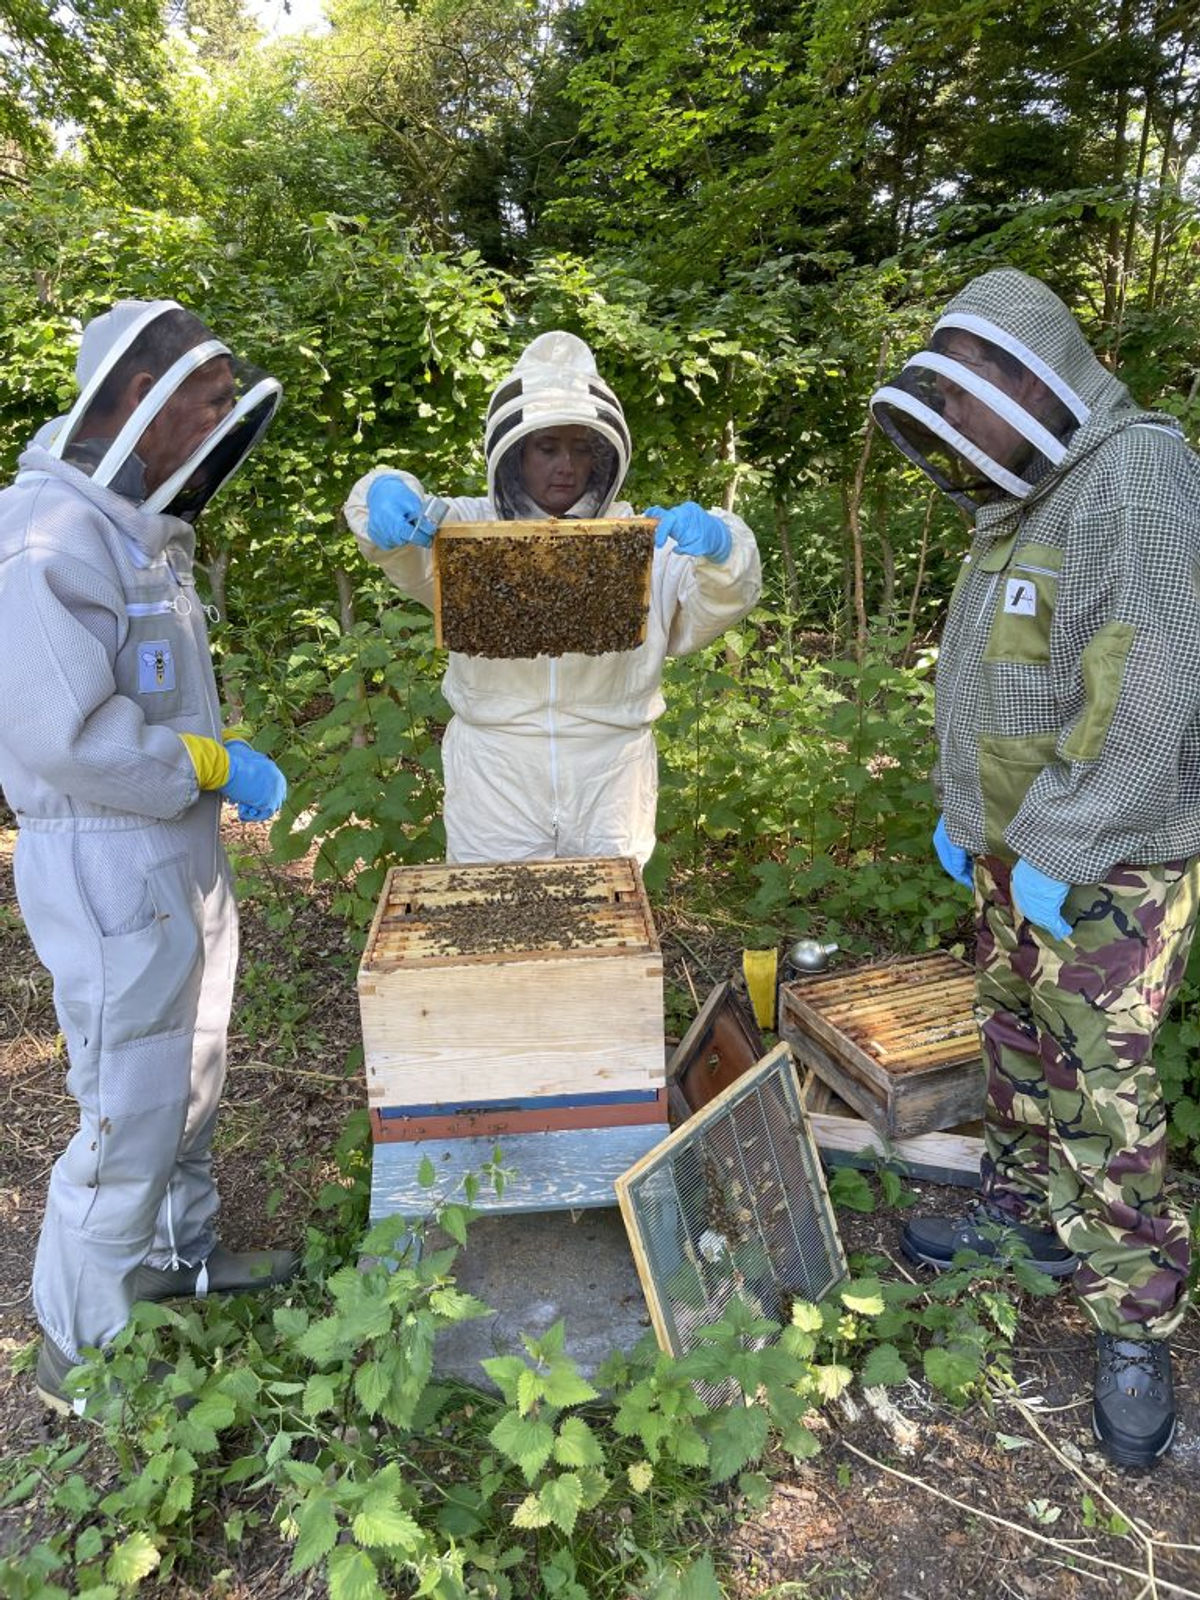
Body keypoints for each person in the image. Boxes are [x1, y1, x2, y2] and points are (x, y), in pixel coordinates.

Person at [870, 266, 1200, 1468]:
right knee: (1014, 1050)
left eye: (964, 399)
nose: (954, 424)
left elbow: (1152, 679)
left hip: (1109, 865)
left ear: (1027, 376)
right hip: (1015, 855)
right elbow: (999, 676)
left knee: (1103, 1094)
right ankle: (1024, 1221)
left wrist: (1065, 835)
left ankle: (1136, 1324)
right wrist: (969, 814)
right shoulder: (1024, 501)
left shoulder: (1137, 474)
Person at [0, 299, 299, 1416]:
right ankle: (80, 1352)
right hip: (104, 857)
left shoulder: (139, 531)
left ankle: (174, 1259)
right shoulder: (45, 535)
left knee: (191, 1065)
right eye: (209, 402)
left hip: (172, 845)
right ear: (141, 397)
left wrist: (200, 769)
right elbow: (63, 738)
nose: (220, 423)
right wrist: (203, 762)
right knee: (129, 1098)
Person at [343, 330, 761, 865]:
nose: (566, 464)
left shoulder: (644, 540)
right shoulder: (464, 530)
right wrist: (385, 496)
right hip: (496, 776)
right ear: (516, 453)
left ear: (602, 458)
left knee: (607, 910)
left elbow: (721, 599)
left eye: (581, 449)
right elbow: (385, 530)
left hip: (610, 777)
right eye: (547, 447)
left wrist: (722, 550)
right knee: (492, 909)